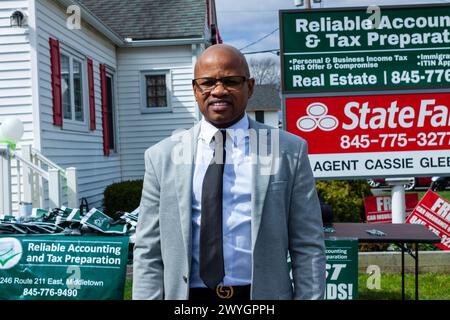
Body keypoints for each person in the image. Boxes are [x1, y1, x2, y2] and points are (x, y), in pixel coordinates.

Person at [132, 44, 326, 300]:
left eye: (231, 81)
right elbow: (148, 250)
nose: (219, 90)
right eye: (207, 82)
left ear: (250, 87)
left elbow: (308, 245)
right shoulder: (161, 157)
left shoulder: (288, 151)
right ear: (195, 89)